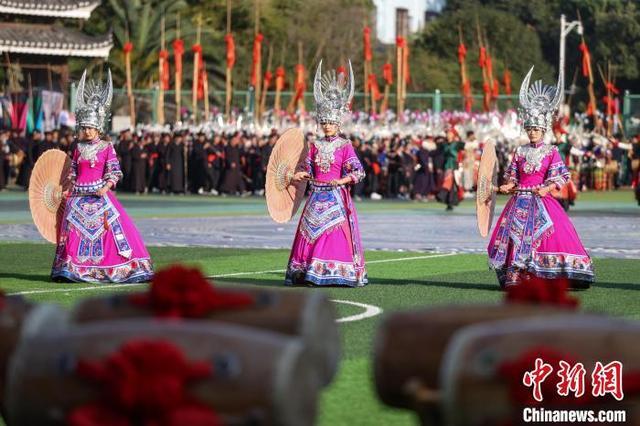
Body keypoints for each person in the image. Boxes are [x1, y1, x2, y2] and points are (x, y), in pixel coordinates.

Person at [488, 66, 594, 289]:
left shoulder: (551, 151)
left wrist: (546, 188)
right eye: (530, 128)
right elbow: (512, 177)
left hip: (541, 199)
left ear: (543, 129)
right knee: (513, 237)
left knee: (548, 235)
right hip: (519, 201)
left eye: (536, 128)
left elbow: (562, 176)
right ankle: (516, 276)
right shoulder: (519, 151)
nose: (532, 132)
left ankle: (542, 276)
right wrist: (507, 186)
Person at [51, 69, 153, 283]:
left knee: (111, 231)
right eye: (84, 127)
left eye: (91, 128)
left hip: (99, 195)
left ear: (98, 128)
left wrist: (106, 187)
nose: (87, 131)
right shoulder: (77, 147)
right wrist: (67, 186)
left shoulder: (107, 147)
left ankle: (111, 268)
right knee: (72, 233)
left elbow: (115, 171)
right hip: (78, 196)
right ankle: (71, 268)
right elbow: (73, 171)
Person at [285, 60, 367, 287]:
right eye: (325, 122)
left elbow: (359, 172)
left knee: (331, 233)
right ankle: (307, 272)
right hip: (315, 196)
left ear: (338, 123)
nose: (328, 126)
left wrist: (342, 179)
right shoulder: (314, 145)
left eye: (331, 122)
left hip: (335, 196)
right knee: (309, 232)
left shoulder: (345, 145)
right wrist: (300, 174)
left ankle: (330, 271)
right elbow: (308, 168)